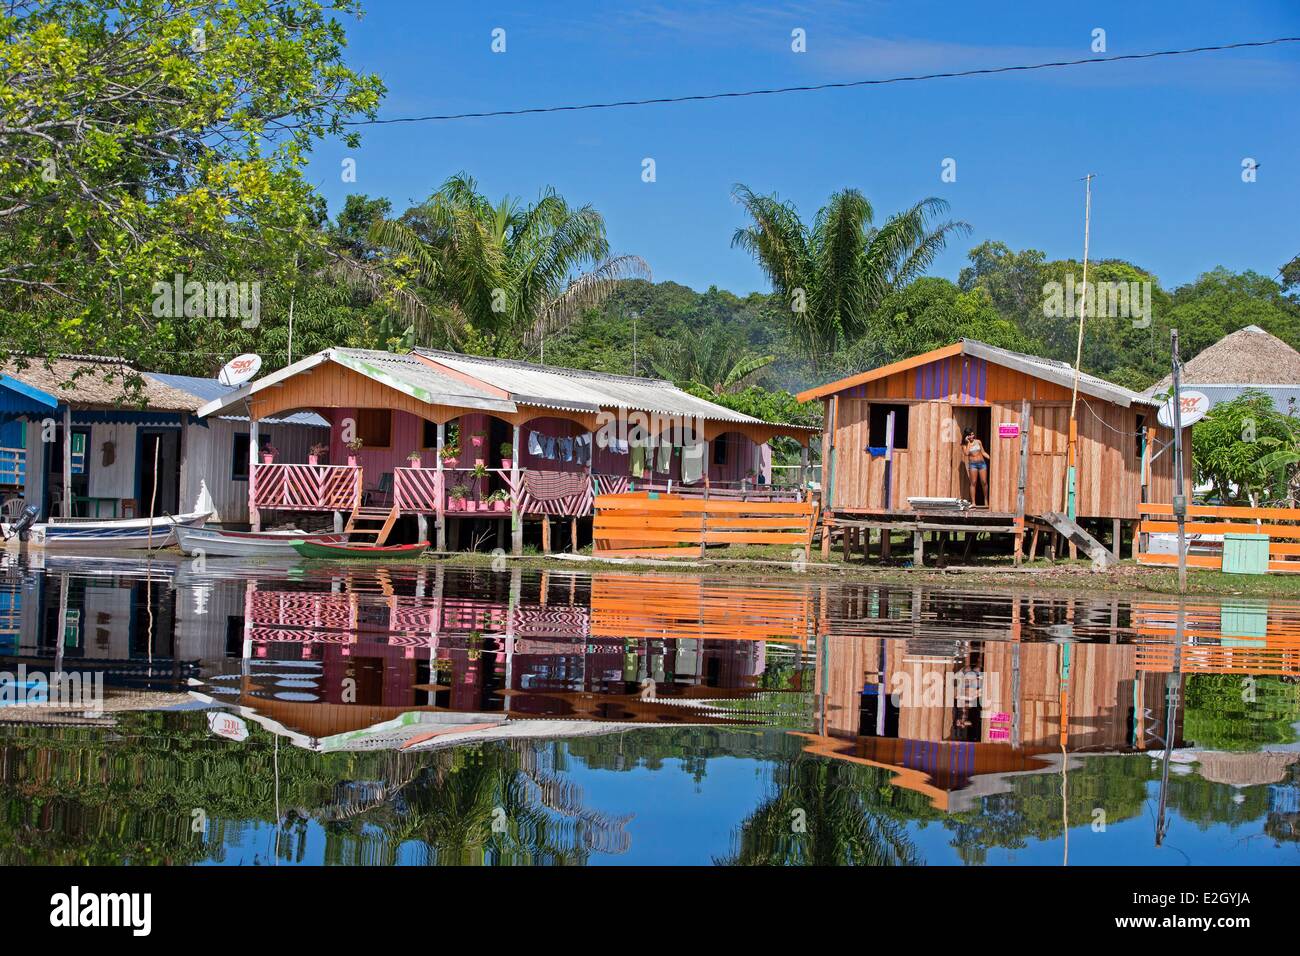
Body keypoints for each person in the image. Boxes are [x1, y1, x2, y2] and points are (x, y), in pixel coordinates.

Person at [962, 429, 989, 506]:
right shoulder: (964, 445)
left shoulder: (978, 441)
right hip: (973, 464)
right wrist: (968, 443)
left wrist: (990, 458)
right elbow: (966, 453)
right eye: (970, 435)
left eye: (973, 434)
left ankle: (986, 500)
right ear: (967, 436)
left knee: (984, 482)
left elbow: (983, 452)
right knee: (973, 483)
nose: (972, 436)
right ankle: (973, 502)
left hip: (982, 463)